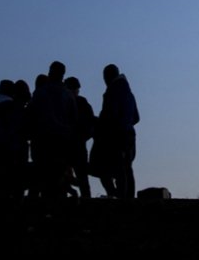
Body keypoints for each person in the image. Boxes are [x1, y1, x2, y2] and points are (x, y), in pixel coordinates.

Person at [28, 61, 78, 201]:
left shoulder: (39, 93)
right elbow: (74, 120)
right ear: (63, 75)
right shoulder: (68, 95)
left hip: (42, 140)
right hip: (63, 141)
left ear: (50, 73)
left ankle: (40, 207)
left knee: (40, 176)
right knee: (59, 177)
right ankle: (59, 206)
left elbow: (34, 117)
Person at [90, 64, 139, 199]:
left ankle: (120, 200)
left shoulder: (112, 92)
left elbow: (111, 115)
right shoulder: (129, 94)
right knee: (128, 168)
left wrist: (100, 128)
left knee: (119, 169)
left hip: (117, 135)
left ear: (107, 77)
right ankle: (129, 199)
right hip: (130, 134)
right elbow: (136, 117)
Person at [64, 77, 96, 198]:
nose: (72, 91)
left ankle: (85, 202)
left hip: (76, 145)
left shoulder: (81, 103)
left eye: (74, 88)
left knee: (81, 178)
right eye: (70, 88)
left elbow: (90, 124)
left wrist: (82, 137)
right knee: (66, 178)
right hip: (70, 145)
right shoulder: (79, 103)